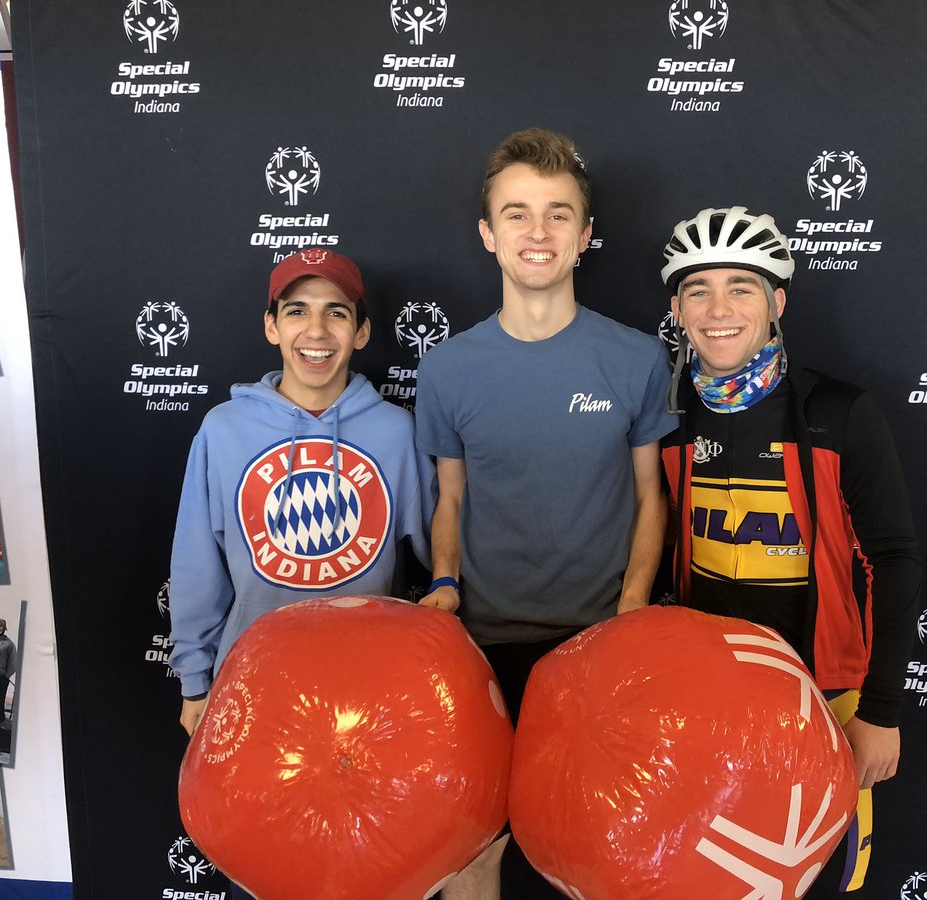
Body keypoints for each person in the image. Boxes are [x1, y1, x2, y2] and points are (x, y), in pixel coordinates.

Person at [415, 128, 677, 898]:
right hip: (482, 647)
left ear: (585, 234)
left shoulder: (636, 358)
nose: (539, 232)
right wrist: (444, 583)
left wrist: (631, 610)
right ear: (488, 234)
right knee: (471, 852)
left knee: (604, 851)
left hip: (599, 646)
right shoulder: (448, 368)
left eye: (559, 214)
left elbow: (650, 495)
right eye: (518, 213)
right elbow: (450, 496)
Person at [658, 206, 922, 895]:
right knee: (714, 873)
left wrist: (881, 711)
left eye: (740, 288)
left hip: (825, 697)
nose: (718, 309)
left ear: (776, 302)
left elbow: (894, 562)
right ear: (677, 310)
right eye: (698, 290)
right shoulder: (666, 415)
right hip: (711, 694)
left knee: (820, 875)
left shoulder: (839, 411)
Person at [168, 248, 434, 739]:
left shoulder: (395, 432)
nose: (316, 331)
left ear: (361, 332)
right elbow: (196, 563)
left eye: (336, 312)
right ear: (271, 327)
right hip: (254, 679)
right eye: (297, 311)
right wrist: (194, 680)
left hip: (367, 683)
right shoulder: (223, 430)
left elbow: (444, 552)